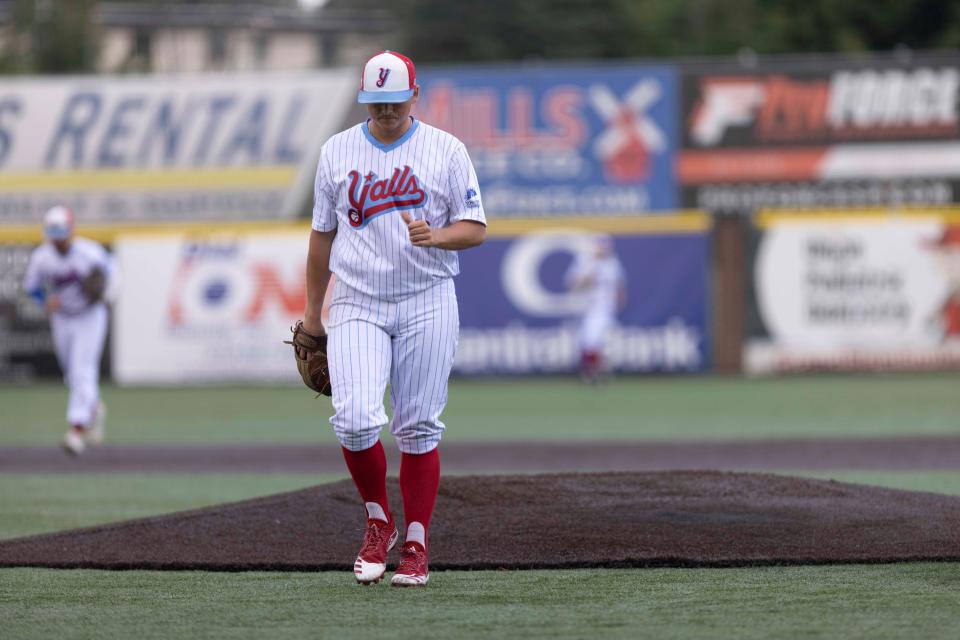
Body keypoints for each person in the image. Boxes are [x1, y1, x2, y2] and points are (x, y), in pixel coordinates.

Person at [301, 50, 486, 586]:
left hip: (427, 297)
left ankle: (417, 543)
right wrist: (314, 314)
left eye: (394, 102)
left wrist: (438, 235)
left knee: (418, 426)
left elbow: (475, 227)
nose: (384, 112)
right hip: (357, 299)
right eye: (376, 103)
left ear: (414, 95)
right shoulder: (337, 152)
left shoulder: (445, 150)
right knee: (357, 420)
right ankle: (378, 521)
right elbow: (320, 237)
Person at [23, 206, 116, 456]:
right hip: (62, 318)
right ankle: (93, 409)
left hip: (89, 316)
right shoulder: (42, 257)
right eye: (53, 232)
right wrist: (44, 300)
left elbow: (113, 275)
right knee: (72, 374)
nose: (57, 238)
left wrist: (104, 293)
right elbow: (31, 286)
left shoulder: (90, 253)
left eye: (61, 232)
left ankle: (76, 430)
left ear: (71, 229)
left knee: (82, 370)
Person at [564, 234, 626, 383]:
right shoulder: (585, 261)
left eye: (604, 246)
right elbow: (572, 284)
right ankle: (593, 371)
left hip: (605, 307)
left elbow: (620, 285)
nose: (602, 249)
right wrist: (588, 276)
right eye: (599, 245)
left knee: (596, 339)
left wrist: (619, 301)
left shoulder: (612, 263)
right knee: (587, 340)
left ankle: (595, 371)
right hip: (586, 306)